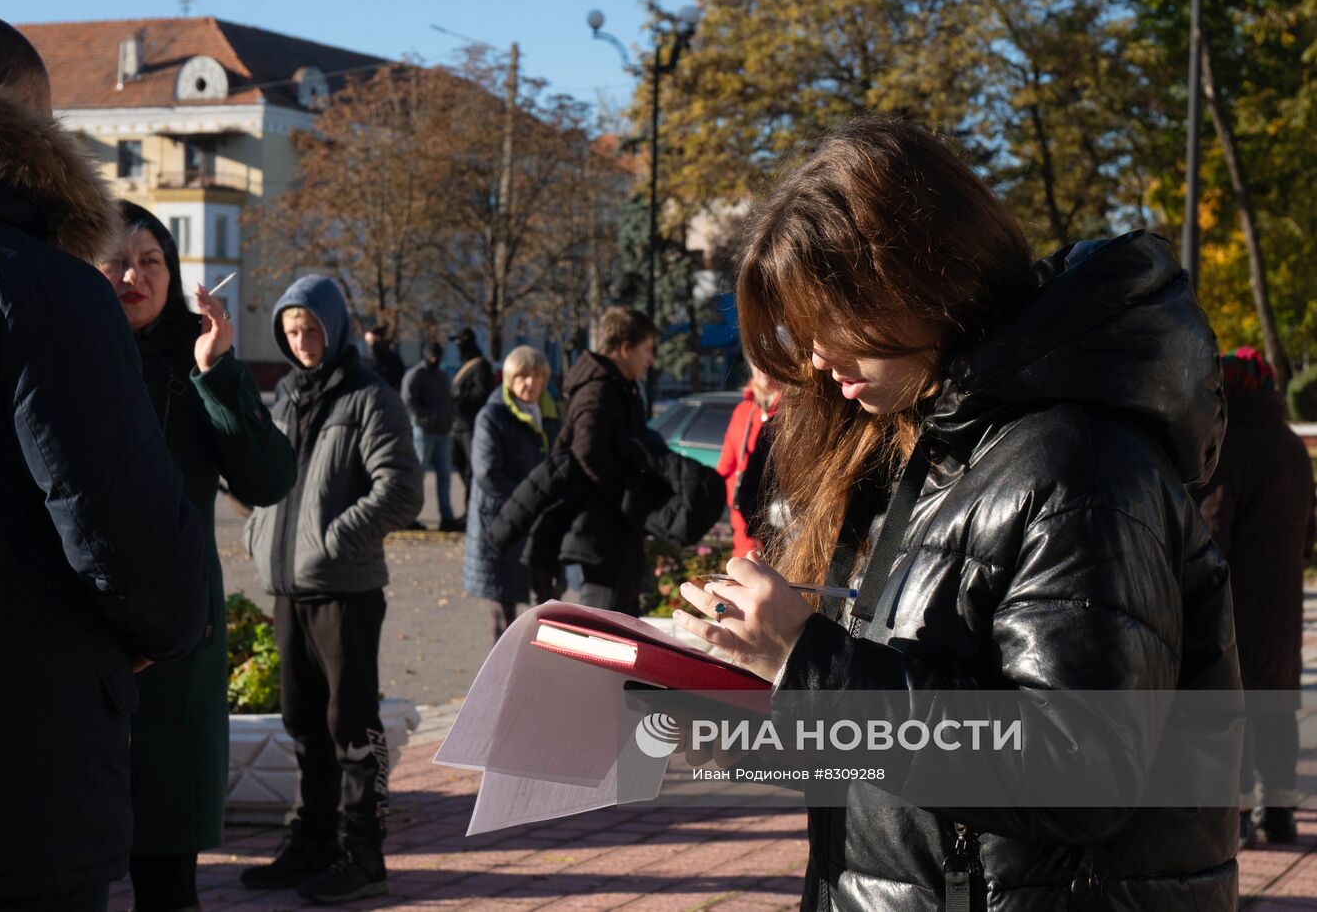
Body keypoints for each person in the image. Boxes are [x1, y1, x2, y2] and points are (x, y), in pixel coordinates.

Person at [672, 117, 1239, 909]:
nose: (816, 360)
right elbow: (911, 733)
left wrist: (811, 668)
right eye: (800, 335)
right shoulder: (936, 445)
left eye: (826, 320)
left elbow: (1080, 765)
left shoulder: (1076, 461)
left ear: (913, 276)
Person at [0, 13, 209, 910]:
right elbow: (120, 523)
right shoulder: (37, 286)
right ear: (32, 126)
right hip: (8, 781)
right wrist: (164, 629)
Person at [96, 201, 297, 911]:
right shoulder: (59, 352)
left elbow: (269, 479)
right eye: (117, 259)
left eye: (151, 261)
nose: (133, 274)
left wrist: (220, 373)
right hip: (77, 632)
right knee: (66, 854)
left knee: (165, 866)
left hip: (178, 641)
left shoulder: (194, 359)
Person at [240, 275, 423, 905]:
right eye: (292, 332)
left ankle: (362, 852)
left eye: (312, 329)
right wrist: (262, 531)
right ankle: (311, 841)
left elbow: (401, 489)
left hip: (345, 590)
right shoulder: (287, 396)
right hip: (290, 589)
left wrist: (337, 538)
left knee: (351, 725)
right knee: (303, 723)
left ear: (335, 327)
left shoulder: (371, 398)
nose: (302, 342)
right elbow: (268, 481)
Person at [1195, 347, 1317, 845]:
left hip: (1236, 605)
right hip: (1284, 605)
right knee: (1278, 709)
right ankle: (1281, 811)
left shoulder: (1231, 447)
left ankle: (1241, 814)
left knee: (1236, 710)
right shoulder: (1292, 446)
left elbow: (1213, 530)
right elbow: (1309, 533)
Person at [555, 306, 659, 614]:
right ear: (625, 349)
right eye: (647, 350)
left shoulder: (620, 388)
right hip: (601, 534)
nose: (651, 360)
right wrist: (627, 495)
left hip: (615, 532)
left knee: (616, 623)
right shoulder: (598, 392)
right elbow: (587, 453)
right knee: (601, 628)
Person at [463, 346, 560, 639]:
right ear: (508, 379)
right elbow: (488, 474)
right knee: (504, 615)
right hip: (501, 523)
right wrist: (532, 499)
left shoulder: (550, 413)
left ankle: (543, 675)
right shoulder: (492, 416)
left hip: (540, 522)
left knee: (549, 608)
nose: (530, 383)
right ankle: (502, 681)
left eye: (536, 375)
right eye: (522, 376)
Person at [715, 365, 781, 557]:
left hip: (775, 527)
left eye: (768, 361)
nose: (763, 368)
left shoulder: (791, 413)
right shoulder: (743, 411)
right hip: (742, 527)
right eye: (756, 361)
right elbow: (725, 467)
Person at [401, 341, 461, 531]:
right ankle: (409, 517)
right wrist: (426, 418)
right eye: (431, 356)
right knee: (418, 475)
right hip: (424, 432)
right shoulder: (416, 375)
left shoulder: (441, 375)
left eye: (437, 356)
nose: (435, 359)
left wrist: (449, 417)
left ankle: (447, 516)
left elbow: (449, 400)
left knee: (445, 477)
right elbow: (408, 402)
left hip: (443, 432)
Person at [450, 326, 498, 511]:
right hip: (460, 425)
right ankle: (469, 508)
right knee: (460, 465)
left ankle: (472, 509)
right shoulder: (466, 365)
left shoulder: (480, 365)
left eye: (460, 342)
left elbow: (482, 393)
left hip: (472, 425)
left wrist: (460, 398)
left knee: (473, 470)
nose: (457, 346)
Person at [363, 324, 405, 390]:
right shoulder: (365, 362)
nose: (371, 344)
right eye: (368, 341)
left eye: (374, 340)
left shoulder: (394, 360)